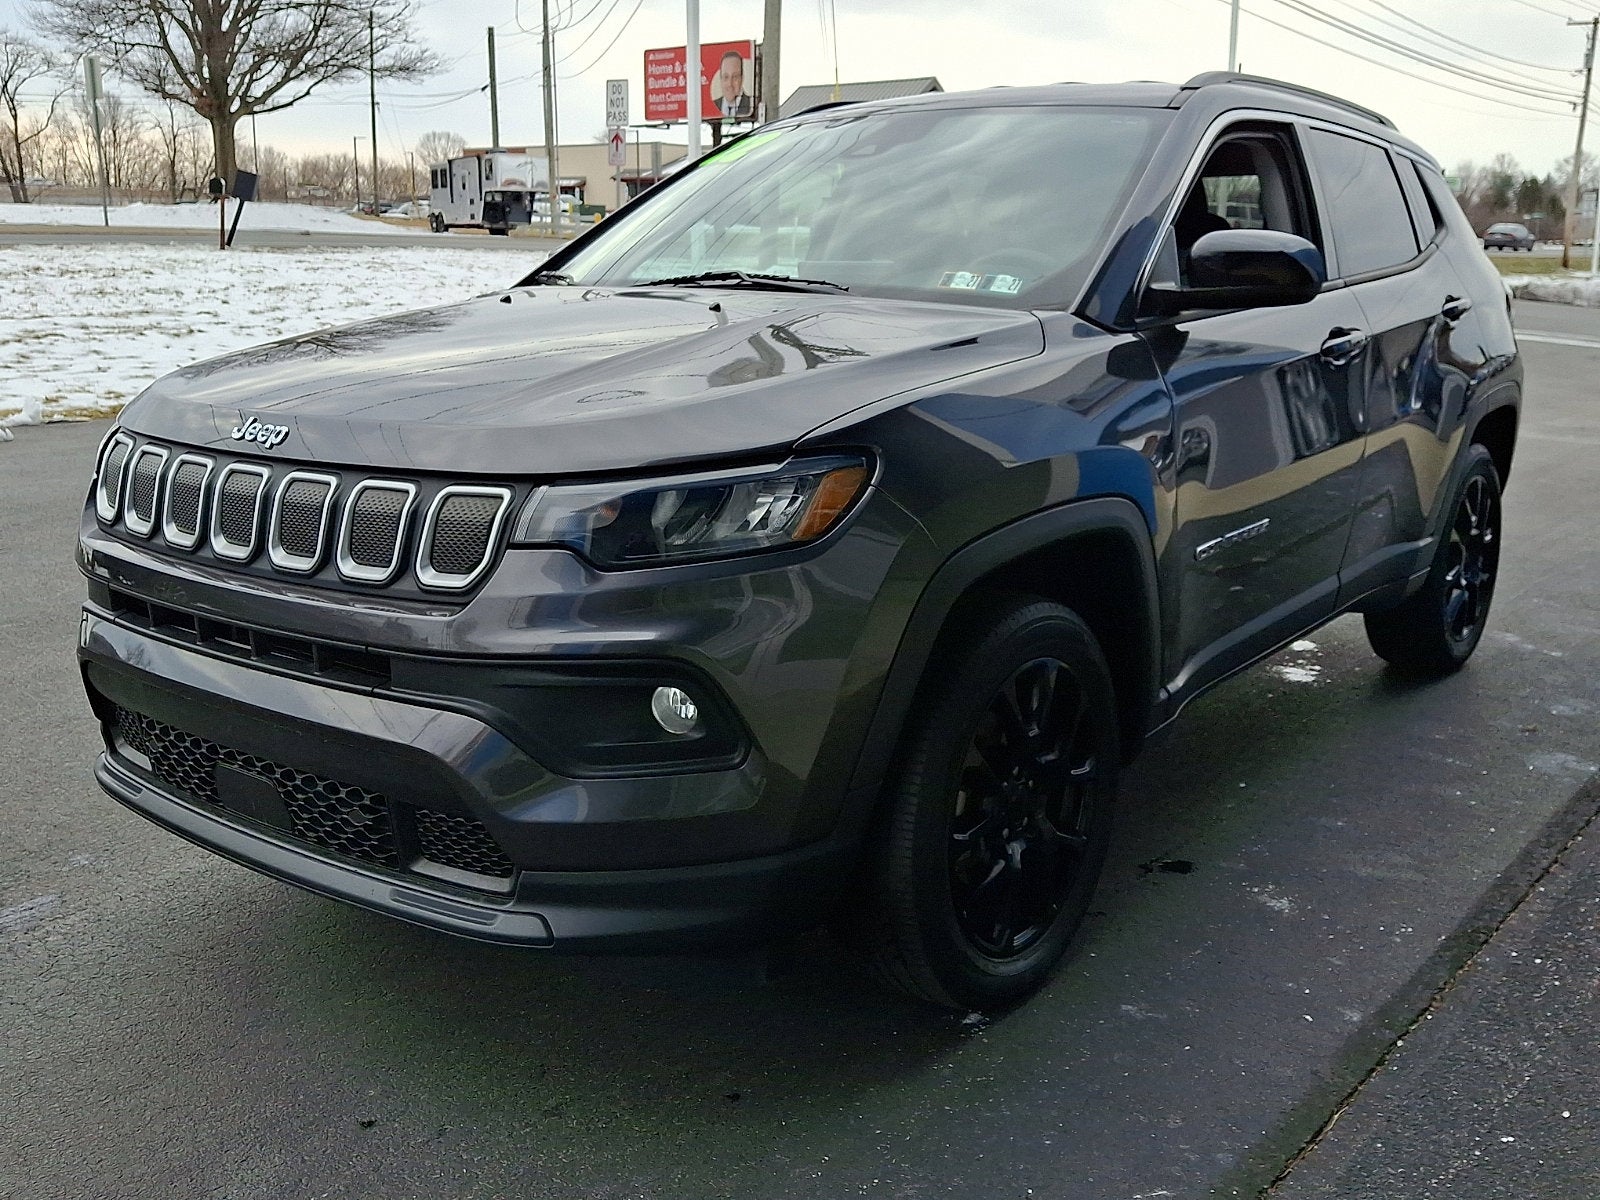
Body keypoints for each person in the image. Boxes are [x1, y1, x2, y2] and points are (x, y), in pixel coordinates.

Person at [716, 50, 753, 121]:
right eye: (726, 77)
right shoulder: (712, 107)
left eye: (735, 77)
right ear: (720, 79)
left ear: (742, 78)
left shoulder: (751, 105)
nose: (730, 84)